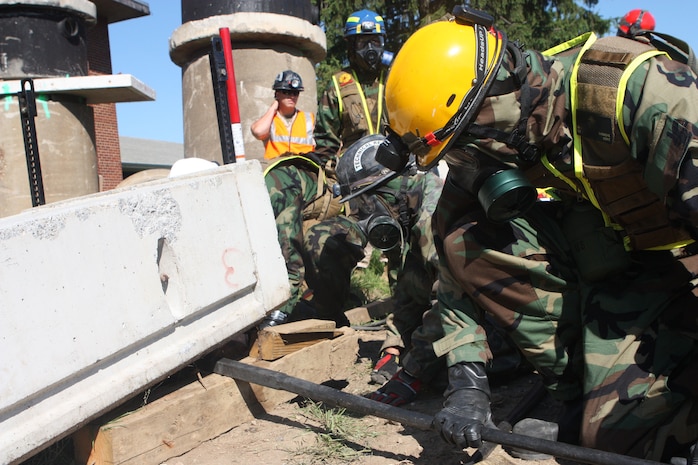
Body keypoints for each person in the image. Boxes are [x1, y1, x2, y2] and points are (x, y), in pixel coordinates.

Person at [373, 5, 698, 463]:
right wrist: (466, 383)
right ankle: (579, 390)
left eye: (466, 146)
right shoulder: (501, 135)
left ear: (499, 99)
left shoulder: (639, 93)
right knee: (462, 237)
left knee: (625, 440)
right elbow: (451, 269)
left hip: (685, 264)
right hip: (626, 274)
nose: (466, 164)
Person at [333, 134, 446, 406]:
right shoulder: (409, 210)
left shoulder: (434, 213)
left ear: (390, 189)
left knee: (444, 376)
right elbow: (411, 287)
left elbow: (450, 301)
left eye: (364, 205)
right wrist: (394, 345)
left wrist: (412, 373)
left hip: (506, 326)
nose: (362, 217)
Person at [314, 9, 390, 157]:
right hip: (355, 172)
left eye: (375, 41)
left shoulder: (394, 78)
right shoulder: (338, 85)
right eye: (363, 42)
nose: (370, 49)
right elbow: (325, 143)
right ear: (352, 46)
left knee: (433, 181)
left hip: (395, 168)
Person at [250, 70, 315, 160]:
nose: (292, 97)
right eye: (287, 92)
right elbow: (258, 132)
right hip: (277, 170)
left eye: (295, 93)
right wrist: (273, 107)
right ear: (277, 94)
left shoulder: (308, 118)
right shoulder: (270, 119)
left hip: (303, 170)